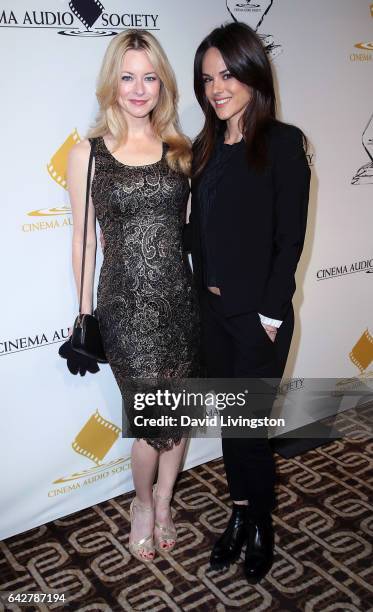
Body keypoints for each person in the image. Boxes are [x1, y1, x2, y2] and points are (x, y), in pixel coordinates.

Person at [184, 21, 310, 583]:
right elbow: (203, 231)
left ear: (253, 73)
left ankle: (261, 525)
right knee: (233, 426)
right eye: (208, 78)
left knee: (249, 430)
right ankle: (239, 514)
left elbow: (290, 240)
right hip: (213, 314)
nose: (216, 88)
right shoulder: (206, 145)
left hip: (257, 318)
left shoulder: (284, 143)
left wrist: (269, 316)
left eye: (227, 74)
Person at [67, 30, 199, 564]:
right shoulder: (89, 153)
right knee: (151, 423)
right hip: (124, 307)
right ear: (112, 83)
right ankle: (142, 505)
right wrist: (81, 313)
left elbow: (193, 233)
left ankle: (166, 501)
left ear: (162, 83)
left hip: (180, 302)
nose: (139, 89)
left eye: (149, 77)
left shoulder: (182, 151)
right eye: (127, 77)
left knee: (180, 414)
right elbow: (83, 237)